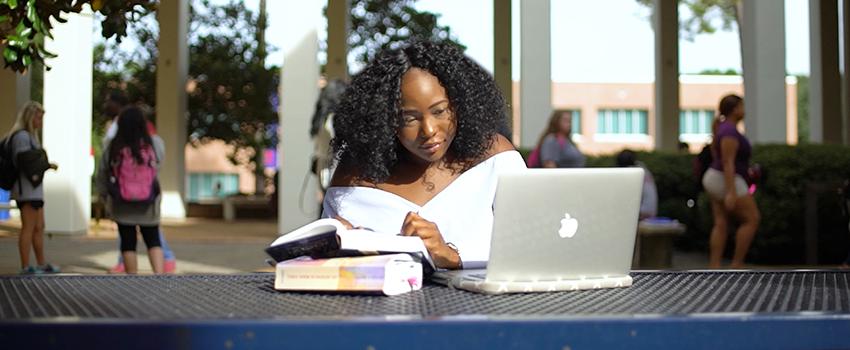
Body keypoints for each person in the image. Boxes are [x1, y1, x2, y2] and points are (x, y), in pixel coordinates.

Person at [322, 41, 525, 269]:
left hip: (486, 304)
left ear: (460, 105)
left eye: (440, 111)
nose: (428, 131)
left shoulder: (494, 158)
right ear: (386, 120)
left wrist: (452, 256)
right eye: (409, 118)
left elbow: (531, 247)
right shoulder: (356, 172)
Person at [101, 94, 176, 273]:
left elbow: (103, 171)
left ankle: (132, 281)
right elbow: (158, 165)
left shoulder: (114, 145)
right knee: (153, 239)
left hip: (122, 201)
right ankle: (159, 278)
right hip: (148, 201)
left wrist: (104, 196)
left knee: (128, 243)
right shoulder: (154, 143)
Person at [701, 94, 760, 269]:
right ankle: (737, 264)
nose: (744, 110)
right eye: (742, 106)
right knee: (752, 219)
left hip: (716, 178)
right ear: (735, 109)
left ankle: (715, 266)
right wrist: (731, 192)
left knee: (721, 223)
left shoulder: (723, 128)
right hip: (724, 179)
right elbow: (727, 162)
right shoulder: (729, 131)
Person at [8, 102, 59, 274]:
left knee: (39, 226)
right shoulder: (22, 137)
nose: (40, 121)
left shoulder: (32, 137)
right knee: (28, 227)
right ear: (30, 117)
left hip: (35, 190)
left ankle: (40, 263)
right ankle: (25, 266)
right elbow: (25, 162)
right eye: (38, 117)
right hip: (26, 190)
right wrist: (43, 164)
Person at [616, 150, 657, 220]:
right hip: (652, 211)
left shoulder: (631, 173)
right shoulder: (642, 169)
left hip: (642, 213)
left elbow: (627, 199)